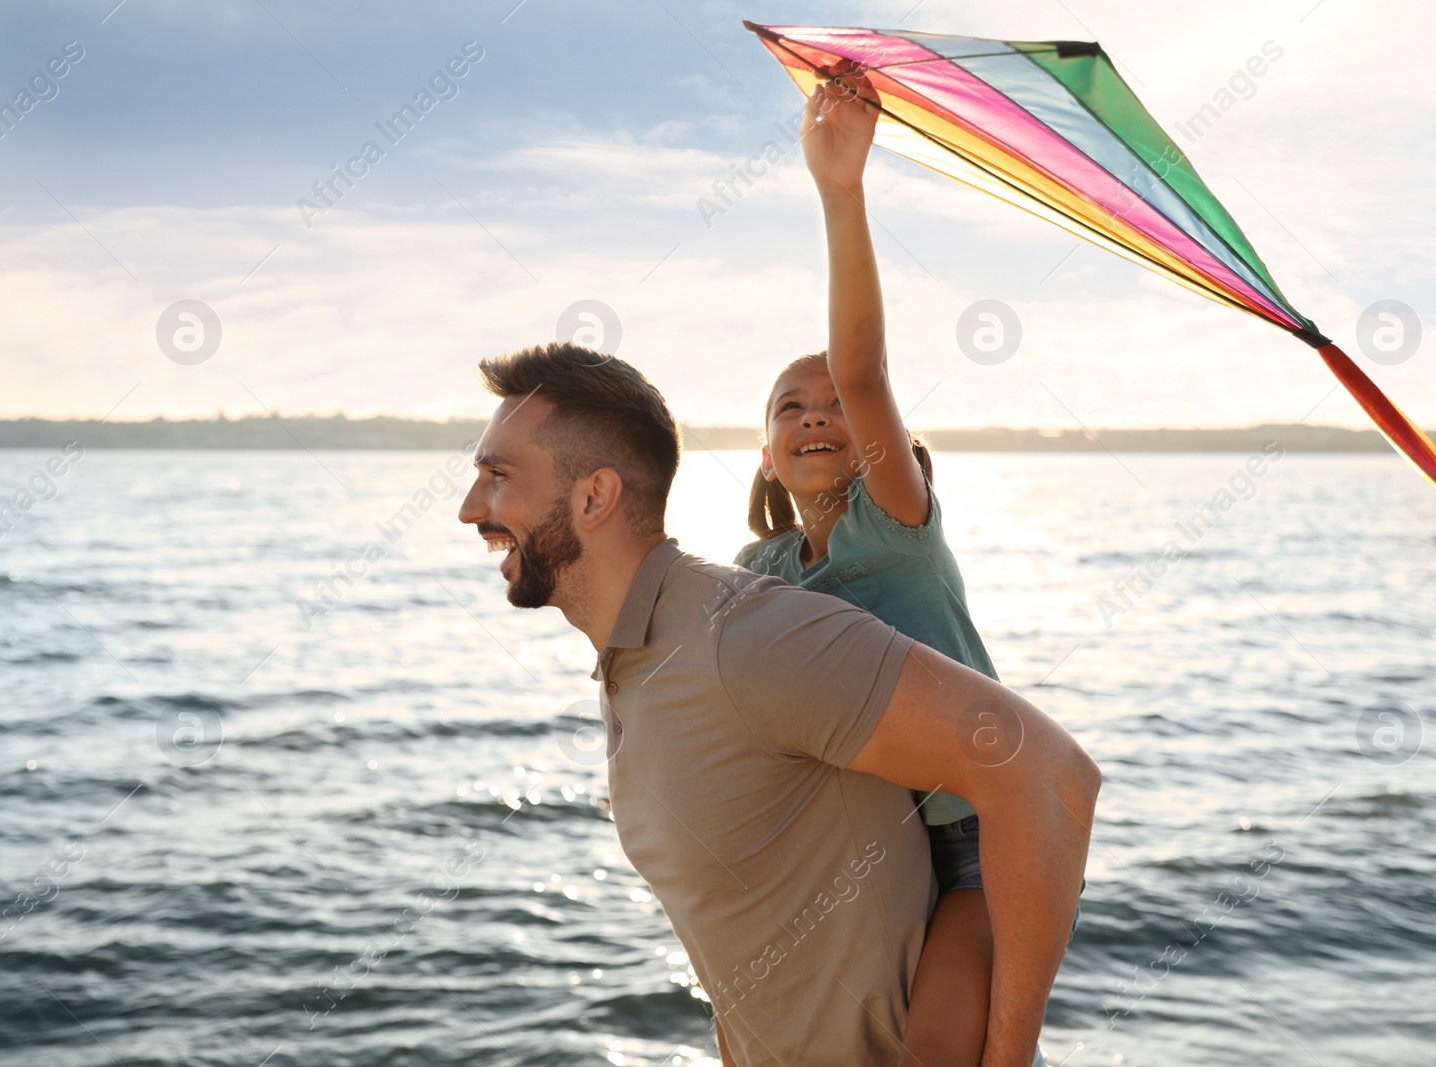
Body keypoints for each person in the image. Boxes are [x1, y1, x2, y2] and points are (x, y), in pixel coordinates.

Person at [456, 344, 1097, 1067]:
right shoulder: (645, 655)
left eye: (497, 475)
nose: (469, 507)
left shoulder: (744, 636)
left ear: (595, 497)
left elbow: (1051, 774)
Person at [735, 71, 1082, 1065]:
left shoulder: (894, 521)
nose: (814, 414)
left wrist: (838, 186)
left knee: (942, 1050)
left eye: (830, 406)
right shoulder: (762, 568)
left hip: (984, 841)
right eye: (786, 408)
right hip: (869, 853)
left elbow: (861, 369)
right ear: (763, 452)